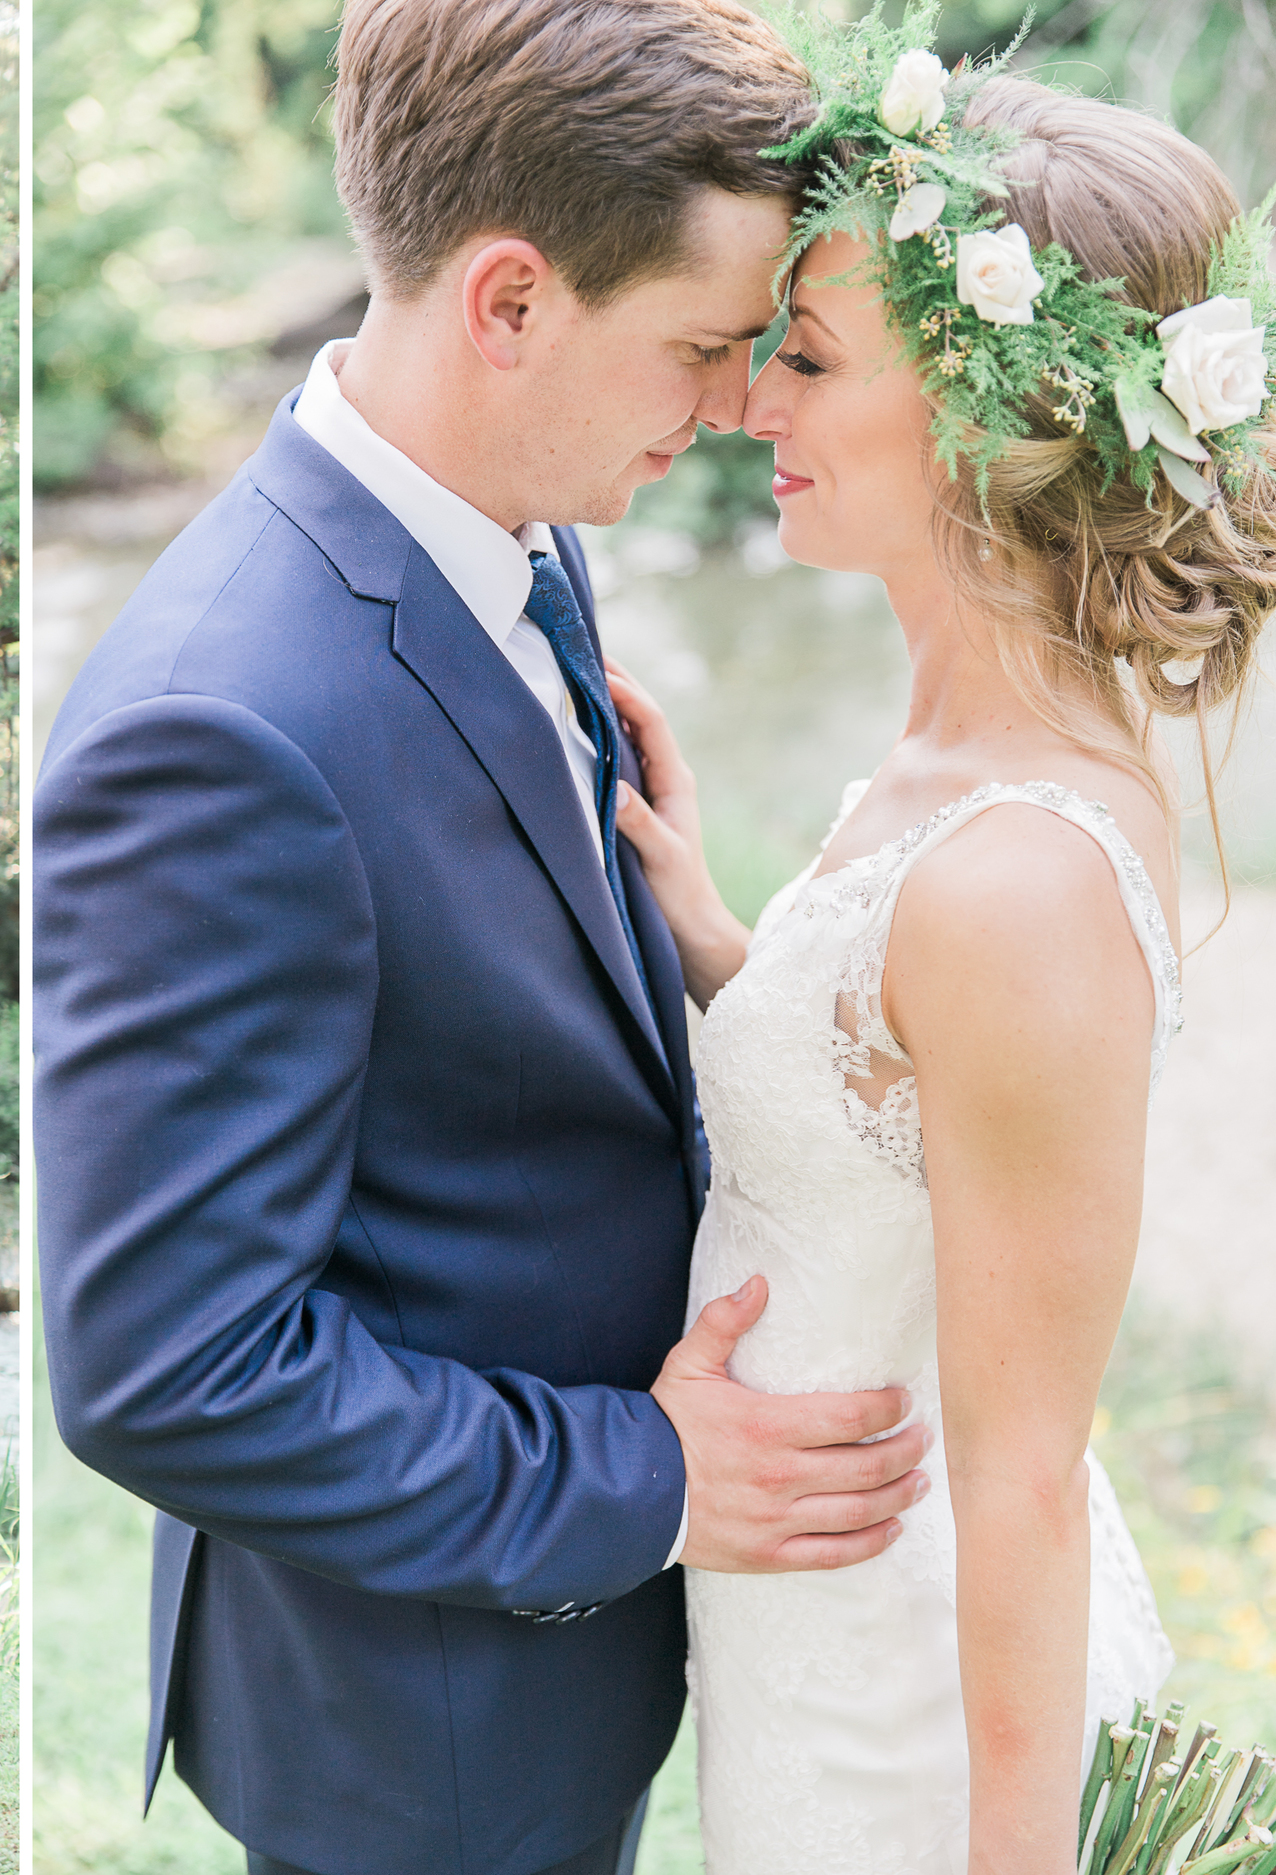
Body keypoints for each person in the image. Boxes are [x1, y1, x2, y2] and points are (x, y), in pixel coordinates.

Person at [34, 4, 939, 1871]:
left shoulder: (512, 516)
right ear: (509, 302)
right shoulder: (215, 732)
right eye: (704, 348)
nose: (732, 410)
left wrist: (674, 940)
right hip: (422, 1735)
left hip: (560, 1681)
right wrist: (655, 1479)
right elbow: (167, 1365)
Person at [608, 46, 1275, 1871]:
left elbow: (1025, 1474)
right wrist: (719, 944)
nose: (749, 404)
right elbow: (893, 1115)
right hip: (802, 1643)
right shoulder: (938, 773)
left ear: (993, 414)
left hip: (907, 1721)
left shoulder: (1018, 880)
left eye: (810, 361)